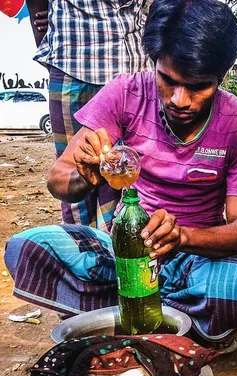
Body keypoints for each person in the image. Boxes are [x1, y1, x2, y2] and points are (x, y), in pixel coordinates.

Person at [5, 0, 237, 351]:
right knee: (28, 248)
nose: (180, 100)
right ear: (153, 64)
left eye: (199, 87)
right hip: (124, 251)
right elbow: (59, 180)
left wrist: (183, 237)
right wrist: (85, 174)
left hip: (197, 257)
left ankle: (124, 318)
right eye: (168, 80)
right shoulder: (125, 93)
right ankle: (174, 326)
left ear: (221, 77)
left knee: (234, 289)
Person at [26, 0, 152, 232]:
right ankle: (83, 250)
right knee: (77, 171)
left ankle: (121, 249)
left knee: (126, 171)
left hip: (134, 65)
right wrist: (47, 35)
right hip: (74, 62)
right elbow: (61, 178)